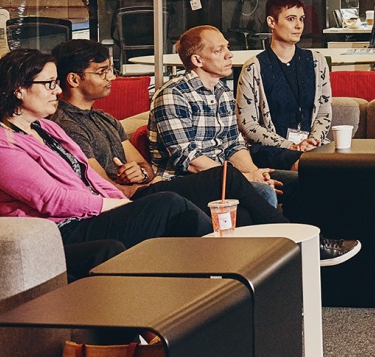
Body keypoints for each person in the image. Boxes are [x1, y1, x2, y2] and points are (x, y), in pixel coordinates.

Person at [150, 25, 359, 263]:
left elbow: (233, 145)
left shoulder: (221, 91)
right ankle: (305, 249)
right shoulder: (173, 94)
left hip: (227, 178)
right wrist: (246, 178)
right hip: (184, 181)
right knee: (261, 192)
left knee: (304, 181)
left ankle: (311, 261)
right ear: (197, 60)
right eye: (219, 50)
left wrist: (254, 173)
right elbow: (189, 160)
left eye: (227, 47)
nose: (229, 54)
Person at [0, 49, 211, 266]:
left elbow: (89, 177)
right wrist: (113, 205)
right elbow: (52, 199)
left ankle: (205, 275)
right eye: (50, 84)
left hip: (87, 217)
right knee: (169, 205)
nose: (58, 91)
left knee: (175, 208)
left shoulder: (46, 128)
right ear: (18, 89)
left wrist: (125, 204)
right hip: (59, 229)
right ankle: (220, 263)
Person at [51, 39, 287, 230]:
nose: (111, 77)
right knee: (227, 176)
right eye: (102, 72)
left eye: (110, 70)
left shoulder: (104, 118)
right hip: (135, 199)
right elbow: (103, 187)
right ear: (74, 79)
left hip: (147, 188)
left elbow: (144, 166)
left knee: (241, 213)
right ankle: (290, 235)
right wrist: (145, 184)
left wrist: (141, 173)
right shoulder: (67, 125)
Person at [236, 0, 332, 171]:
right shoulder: (253, 67)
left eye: (301, 19)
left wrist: (312, 141)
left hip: (312, 147)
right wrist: (290, 146)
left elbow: (324, 112)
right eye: (291, 19)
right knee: (308, 166)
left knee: (339, 164)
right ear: (271, 22)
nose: (299, 26)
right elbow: (247, 124)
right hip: (271, 149)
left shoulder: (317, 62)